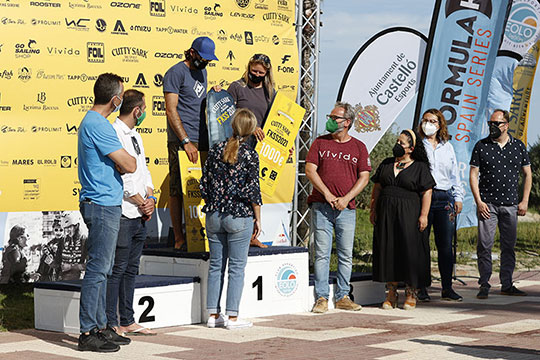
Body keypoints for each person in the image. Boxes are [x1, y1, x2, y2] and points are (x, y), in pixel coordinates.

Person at [77, 73, 137, 353]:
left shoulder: (94, 122)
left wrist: (126, 163)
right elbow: (129, 163)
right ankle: (88, 331)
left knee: (104, 268)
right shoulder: (98, 125)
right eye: (121, 97)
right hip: (101, 204)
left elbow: (126, 165)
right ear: (114, 100)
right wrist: (126, 161)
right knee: (98, 269)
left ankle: (101, 327)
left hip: (105, 202)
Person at [200, 108, 262, 330]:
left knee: (216, 266)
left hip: (214, 214)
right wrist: (258, 219)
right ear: (251, 130)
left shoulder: (216, 149)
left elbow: (203, 183)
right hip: (239, 216)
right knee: (236, 267)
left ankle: (213, 315)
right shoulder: (249, 155)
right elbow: (253, 191)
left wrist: (214, 201)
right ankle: (233, 317)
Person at [306, 102, 371, 314]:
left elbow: (364, 176)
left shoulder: (359, 147)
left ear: (347, 122)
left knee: (345, 253)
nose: (331, 121)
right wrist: (327, 193)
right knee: (322, 253)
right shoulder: (320, 143)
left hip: (347, 209)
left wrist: (346, 198)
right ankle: (322, 297)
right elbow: (310, 170)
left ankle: (343, 295)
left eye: (335, 118)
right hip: (321, 206)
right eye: (330, 117)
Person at [106, 89, 157, 336]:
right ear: (137, 111)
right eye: (144, 109)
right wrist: (139, 201)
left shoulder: (137, 135)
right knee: (117, 269)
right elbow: (122, 175)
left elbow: (144, 171)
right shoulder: (113, 132)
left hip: (140, 212)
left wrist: (150, 199)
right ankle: (111, 322)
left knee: (131, 269)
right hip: (125, 211)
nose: (145, 112)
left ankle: (127, 319)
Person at [163, 36, 218, 251]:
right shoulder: (175, 72)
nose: (205, 63)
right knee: (177, 188)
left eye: (208, 60)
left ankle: (201, 234)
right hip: (182, 139)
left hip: (203, 136)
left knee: (203, 187)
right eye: (203, 58)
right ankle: (178, 237)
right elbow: (171, 109)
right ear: (192, 52)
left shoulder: (202, 71)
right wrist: (185, 140)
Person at [470, 109, 532, 299]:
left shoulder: (518, 146)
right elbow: (473, 174)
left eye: (496, 123)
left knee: (508, 246)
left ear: (506, 125)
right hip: (487, 205)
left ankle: (507, 283)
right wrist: (479, 201)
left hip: (510, 205)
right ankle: (484, 284)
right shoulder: (481, 146)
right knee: (484, 246)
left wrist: (524, 200)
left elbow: (527, 174)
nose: (492, 127)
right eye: (491, 123)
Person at [370, 129, 435, 310]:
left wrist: (424, 215)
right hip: (386, 214)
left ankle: (410, 293)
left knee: (409, 251)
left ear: (411, 148)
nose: (397, 145)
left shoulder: (420, 167)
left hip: (410, 213)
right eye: (397, 141)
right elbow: (377, 187)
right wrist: (373, 209)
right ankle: (391, 293)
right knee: (388, 250)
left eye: (402, 143)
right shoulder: (386, 163)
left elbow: (427, 192)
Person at [226, 53, 276, 248]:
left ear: (266, 73)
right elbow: (226, 113)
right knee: (238, 189)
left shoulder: (269, 92)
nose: (256, 75)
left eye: (260, 73)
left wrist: (283, 145)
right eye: (253, 71)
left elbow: (273, 122)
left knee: (253, 190)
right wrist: (249, 125)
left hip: (260, 148)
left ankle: (251, 234)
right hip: (238, 145)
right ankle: (238, 234)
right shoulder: (237, 87)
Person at [416, 109, 464, 302]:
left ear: (439, 124)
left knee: (445, 246)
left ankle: (447, 287)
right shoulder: (418, 146)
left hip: (444, 198)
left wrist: (458, 197)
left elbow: (455, 174)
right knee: (422, 245)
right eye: (425, 120)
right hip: (423, 198)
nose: (428, 124)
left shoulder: (448, 147)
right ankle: (421, 287)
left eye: (433, 121)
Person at [59, 213, 87, 281]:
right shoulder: (63, 240)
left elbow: (89, 265)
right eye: (65, 228)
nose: (67, 231)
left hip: (78, 279)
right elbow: (57, 262)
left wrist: (71, 267)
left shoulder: (84, 240)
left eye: (69, 227)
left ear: (76, 226)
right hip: (63, 279)